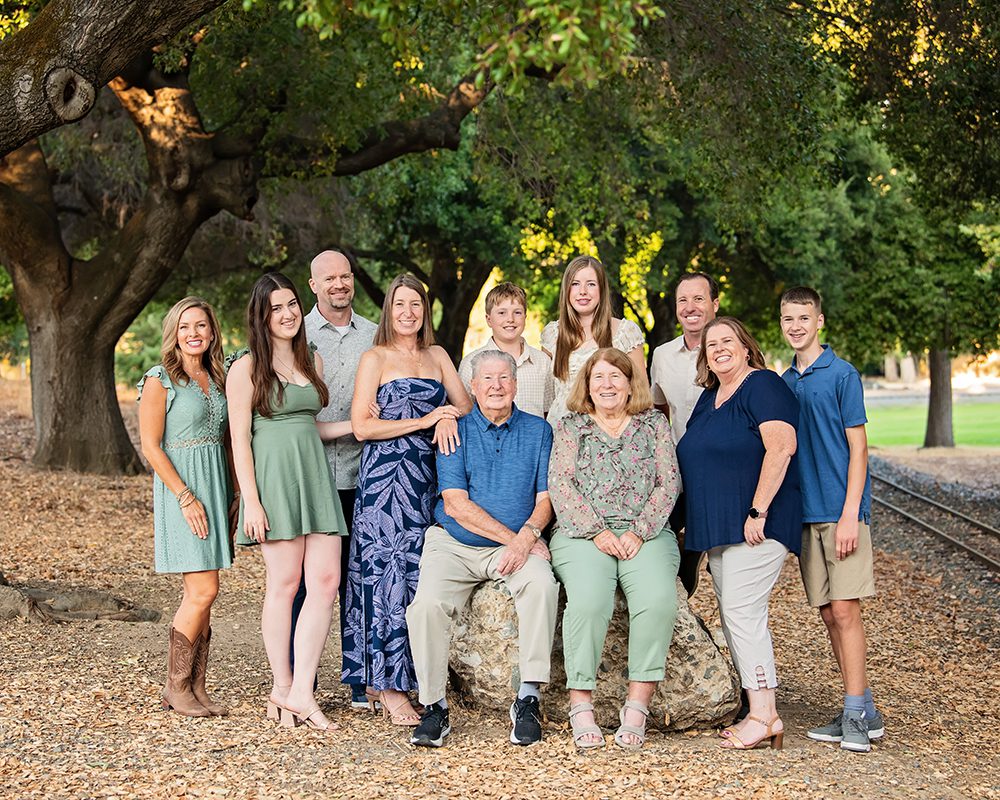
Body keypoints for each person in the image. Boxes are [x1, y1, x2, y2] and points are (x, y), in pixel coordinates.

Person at [407, 350, 558, 748]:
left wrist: (526, 538)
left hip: (515, 545)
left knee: (542, 586)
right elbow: (455, 503)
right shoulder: (454, 428)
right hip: (455, 543)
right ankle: (434, 706)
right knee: (425, 607)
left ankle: (528, 697)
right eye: (487, 379)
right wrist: (519, 540)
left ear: (515, 384)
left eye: (504, 378)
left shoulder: (539, 431)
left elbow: (546, 499)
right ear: (472, 386)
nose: (496, 386)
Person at [341, 273, 473, 726]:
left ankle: (410, 679)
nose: (408, 312)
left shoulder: (438, 355)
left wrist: (445, 418)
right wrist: (423, 420)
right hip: (384, 483)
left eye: (416, 304)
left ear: (425, 310)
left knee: (418, 578)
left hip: (428, 479)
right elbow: (362, 427)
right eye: (400, 304)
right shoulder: (374, 357)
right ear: (388, 310)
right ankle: (388, 688)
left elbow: (467, 407)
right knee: (385, 580)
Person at [228, 272, 347, 732]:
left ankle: (302, 692)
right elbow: (240, 439)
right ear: (262, 315)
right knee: (283, 586)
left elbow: (307, 426)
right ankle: (281, 685)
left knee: (325, 581)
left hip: (314, 476)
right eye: (276, 307)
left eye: (292, 304)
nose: (287, 313)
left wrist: (356, 427)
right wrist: (251, 502)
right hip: (274, 482)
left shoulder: (309, 357)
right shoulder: (246, 368)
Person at [676, 317, 801, 751]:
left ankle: (766, 714)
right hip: (720, 529)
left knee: (743, 612)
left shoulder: (762, 385)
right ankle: (756, 705)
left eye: (727, 341)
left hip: (758, 524)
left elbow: (782, 446)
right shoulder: (709, 397)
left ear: (746, 346)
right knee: (734, 613)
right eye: (711, 345)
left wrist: (758, 509)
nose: (719, 349)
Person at [549, 348, 681, 751]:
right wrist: (596, 531)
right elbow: (561, 483)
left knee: (658, 600)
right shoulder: (571, 427)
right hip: (582, 533)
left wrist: (640, 531)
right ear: (586, 386)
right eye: (598, 378)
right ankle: (581, 704)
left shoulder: (653, 424)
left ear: (629, 384)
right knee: (589, 601)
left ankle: (637, 707)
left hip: (647, 531)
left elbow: (668, 482)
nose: (607, 385)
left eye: (615, 378)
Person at [779, 287, 883, 753]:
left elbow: (858, 448)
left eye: (804, 317)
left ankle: (857, 712)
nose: (796, 325)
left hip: (842, 512)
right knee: (827, 612)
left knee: (846, 609)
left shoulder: (842, 375)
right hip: (805, 514)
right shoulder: (784, 381)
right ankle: (860, 707)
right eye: (788, 319)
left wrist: (848, 515)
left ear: (820, 321)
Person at [291, 248, 378, 710]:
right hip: (310, 475)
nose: (340, 284)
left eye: (345, 276)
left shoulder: (374, 334)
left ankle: (360, 679)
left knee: (356, 581)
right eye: (330, 279)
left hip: (363, 474)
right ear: (313, 285)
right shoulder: (294, 332)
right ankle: (295, 678)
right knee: (304, 584)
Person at [138, 297, 233, 718]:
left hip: (216, 487)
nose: (193, 333)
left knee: (204, 593)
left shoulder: (218, 375)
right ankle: (175, 686)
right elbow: (150, 447)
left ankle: (196, 685)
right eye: (184, 327)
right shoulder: (161, 379)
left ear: (212, 331)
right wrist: (185, 496)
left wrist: (233, 495)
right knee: (202, 590)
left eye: (201, 326)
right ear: (173, 334)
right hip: (183, 491)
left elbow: (228, 440)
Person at [649, 271, 720, 599]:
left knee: (717, 558)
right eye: (683, 300)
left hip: (719, 471)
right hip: (676, 470)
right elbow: (658, 407)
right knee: (665, 543)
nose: (690, 307)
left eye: (699, 298)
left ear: (715, 304)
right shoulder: (662, 355)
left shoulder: (730, 349)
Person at [540, 256, 646, 423]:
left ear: (602, 289)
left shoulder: (625, 332)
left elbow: (641, 396)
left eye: (591, 284)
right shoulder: (552, 334)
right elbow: (546, 397)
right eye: (575, 284)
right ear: (566, 289)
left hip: (610, 430)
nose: (583, 291)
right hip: (561, 430)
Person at [458, 281, 554, 418]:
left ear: (525, 317)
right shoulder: (471, 363)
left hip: (533, 438)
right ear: (489, 319)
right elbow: (465, 412)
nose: (510, 319)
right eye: (502, 313)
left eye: (517, 312)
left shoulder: (543, 362)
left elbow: (548, 412)